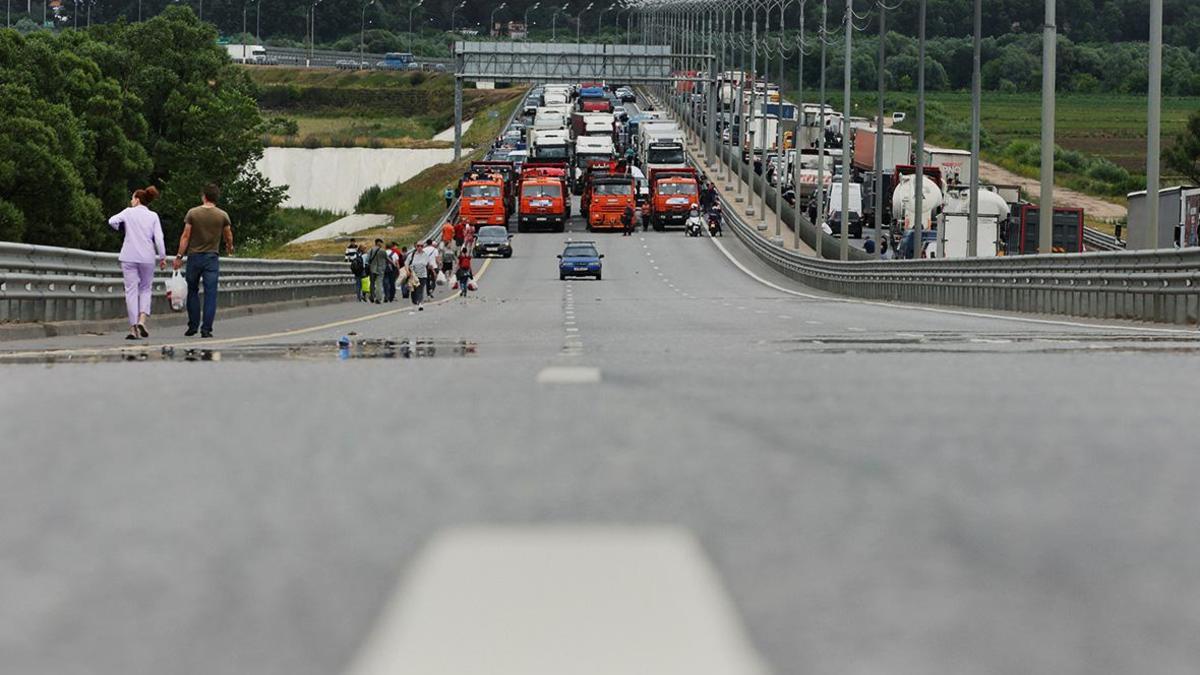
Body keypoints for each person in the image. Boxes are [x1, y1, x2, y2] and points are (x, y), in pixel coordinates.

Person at [173, 183, 232, 339]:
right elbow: (228, 235)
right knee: (210, 294)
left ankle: (192, 326)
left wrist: (179, 256)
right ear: (216, 198)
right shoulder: (222, 215)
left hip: (194, 257)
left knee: (192, 290)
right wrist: (229, 246)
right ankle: (206, 329)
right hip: (211, 258)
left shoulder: (193, 213)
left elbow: (185, 236)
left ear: (204, 196)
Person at [108, 186, 166, 340]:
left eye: (132, 198)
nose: (131, 201)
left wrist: (122, 227)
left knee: (131, 291)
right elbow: (159, 239)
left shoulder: (128, 212)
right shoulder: (153, 216)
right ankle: (142, 320)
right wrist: (162, 257)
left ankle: (133, 328)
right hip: (147, 257)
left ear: (137, 199)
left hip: (128, 255)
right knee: (146, 289)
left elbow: (112, 221)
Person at [405, 241, 433, 309]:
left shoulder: (425, 255)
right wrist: (407, 271)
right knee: (414, 290)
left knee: (420, 289)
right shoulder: (412, 255)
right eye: (418, 246)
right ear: (416, 247)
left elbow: (429, 264)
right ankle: (415, 300)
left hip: (423, 275)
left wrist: (431, 267)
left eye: (421, 246)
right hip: (414, 275)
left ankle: (420, 303)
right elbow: (406, 263)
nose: (420, 247)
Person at [365, 239, 388, 303]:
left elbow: (367, 260)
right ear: (378, 243)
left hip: (372, 269)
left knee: (372, 284)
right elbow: (387, 259)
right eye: (381, 243)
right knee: (379, 284)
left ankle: (372, 297)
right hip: (380, 270)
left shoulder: (371, 250)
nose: (382, 244)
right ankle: (378, 298)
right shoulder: (383, 251)